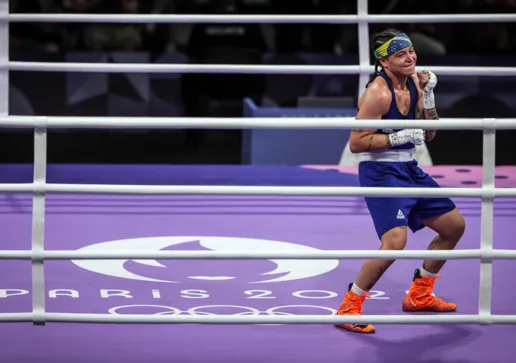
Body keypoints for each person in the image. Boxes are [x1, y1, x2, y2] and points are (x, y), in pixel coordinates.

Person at [335, 29, 466, 334]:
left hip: (408, 168)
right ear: (384, 61)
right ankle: (349, 306)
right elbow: (356, 143)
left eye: (410, 51)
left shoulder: (414, 84)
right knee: (395, 241)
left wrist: (429, 94)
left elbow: (429, 133)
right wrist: (396, 137)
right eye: (400, 55)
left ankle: (419, 295)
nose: (410, 59)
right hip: (380, 172)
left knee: (453, 227)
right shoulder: (378, 94)